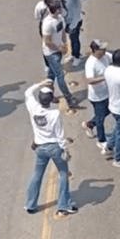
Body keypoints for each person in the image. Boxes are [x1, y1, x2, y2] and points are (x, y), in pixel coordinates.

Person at [24, 79, 79, 217]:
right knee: (63, 173)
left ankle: (30, 204)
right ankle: (63, 205)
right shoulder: (54, 114)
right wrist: (66, 150)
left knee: (37, 174)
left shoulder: (33, 107)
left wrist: (41, 83)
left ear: (39, 99)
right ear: (50, 100)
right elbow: (60, 135)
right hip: (55, 147)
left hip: (40, 147)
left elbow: (27, 92)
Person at [41, 1, 77, 108]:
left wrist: (65, 44)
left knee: (51, 75)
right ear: (55, 10)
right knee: (60, 75)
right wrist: (59, 48)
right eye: (59, 8)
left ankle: (48, 94)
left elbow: (62, 32)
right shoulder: (47, 23)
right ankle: (69, 98)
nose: (61, 10)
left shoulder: (60, 18)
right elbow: (47, 42)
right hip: (51, 53)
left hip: (59, 50)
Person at [82, 40, 112, 154]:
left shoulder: (106, 56)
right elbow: (90, 80)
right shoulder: (91, 63)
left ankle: (89, 124)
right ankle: (101, 140)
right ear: (95, 50)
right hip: (97, 96)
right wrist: (104, 77)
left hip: (107, 92)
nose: (104, 51)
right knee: (100, 119)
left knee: (109, 110)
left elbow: (115, 58)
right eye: (102, 49)